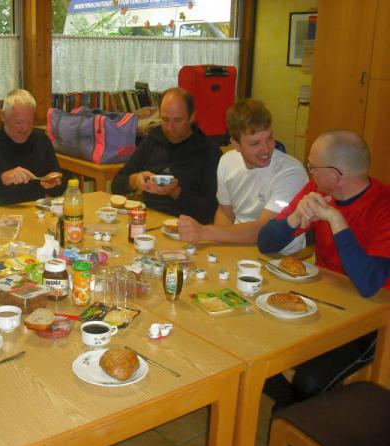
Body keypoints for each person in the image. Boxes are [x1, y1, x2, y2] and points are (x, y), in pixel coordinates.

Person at [258, 130, 390, 407]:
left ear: (335, 175)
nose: (309, 172)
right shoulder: (317, 190)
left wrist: (336, 220)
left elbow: (368, 283)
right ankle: (295, 411)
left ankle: (295, 416)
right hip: (324, 301)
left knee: (308, 382)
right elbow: (266, 243)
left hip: (373, 318)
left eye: (312, 166)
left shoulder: (383, 206)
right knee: (254, 341)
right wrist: (294, 218)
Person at [178, 98, 308, 251]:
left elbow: (264, 230)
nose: (266, 149)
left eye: (270, 138)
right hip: (239, 247)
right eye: (255, 143)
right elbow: (225, 213)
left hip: (279, 255)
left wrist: (205, 232)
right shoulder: (227, 162)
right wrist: (221, 249)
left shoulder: (291, 173)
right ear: (236, 145)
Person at [111, 87, 222, 223]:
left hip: (186, 225)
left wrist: (175, 193)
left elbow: (210, 212)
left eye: (177, 120)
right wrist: (135, 180)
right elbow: (116, 185)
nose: (169, 128)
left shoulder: (208, 151)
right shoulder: (154, 138)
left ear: (192, 117)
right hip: (149, 219)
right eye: (165, 119)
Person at [0, 89, 65, 208]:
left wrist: (54, 183)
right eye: (19, 122)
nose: (25, 128)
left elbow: (58, 189)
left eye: (30, 123)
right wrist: (2, 178)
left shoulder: (42, 141)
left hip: (33, 213)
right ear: (3, 116)